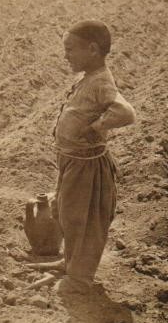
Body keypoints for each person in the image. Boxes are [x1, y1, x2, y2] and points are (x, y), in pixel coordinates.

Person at [52, 20, 135, 294]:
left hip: (87, 166)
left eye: (71, 49)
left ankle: (79, 278)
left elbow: (126, 113)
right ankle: (69, 264)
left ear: (93, 49)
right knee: (68, 214)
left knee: (85, 220)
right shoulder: (87, 77)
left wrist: (97, 126)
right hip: (72, 160)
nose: (66, 55)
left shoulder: (101, 81)